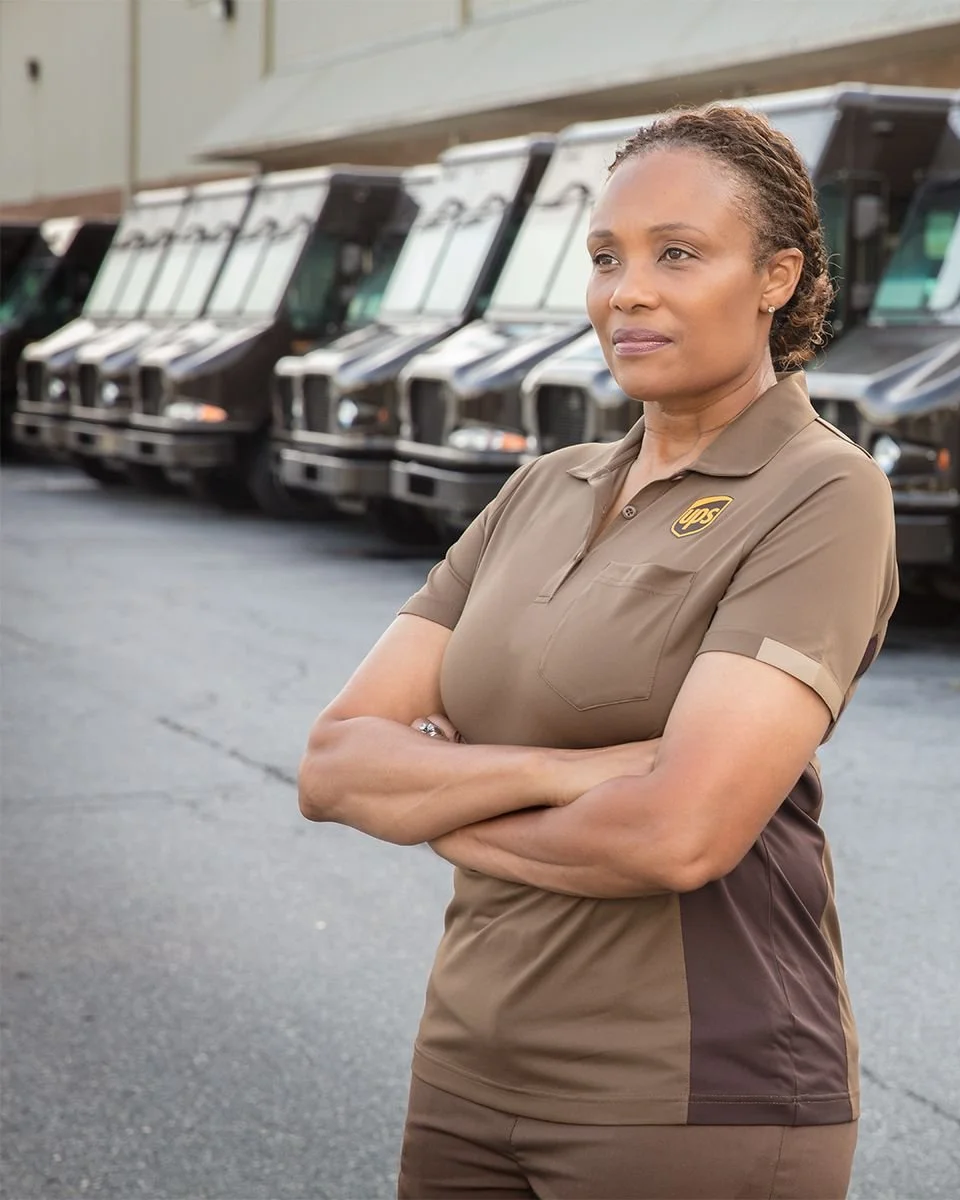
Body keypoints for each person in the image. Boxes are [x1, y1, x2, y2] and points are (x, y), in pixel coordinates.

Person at [297, 103, 898, 1200]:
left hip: (691, 1098)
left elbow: (678, 833)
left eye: (679, 254)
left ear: (775, 276)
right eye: (607, 258)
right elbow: (334, 763)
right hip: (466, 1069)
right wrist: (569, 773)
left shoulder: (822, 491)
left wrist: (437, 795)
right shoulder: (539, 489)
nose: (628, 291)